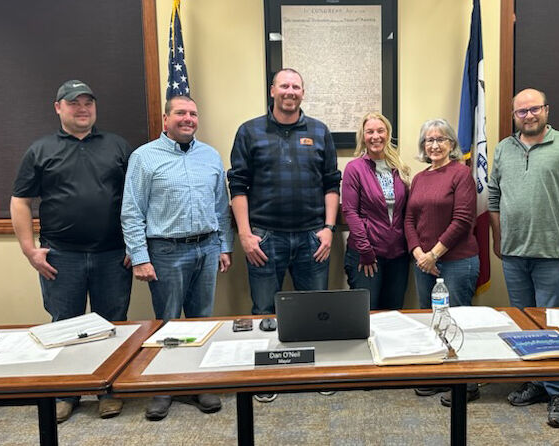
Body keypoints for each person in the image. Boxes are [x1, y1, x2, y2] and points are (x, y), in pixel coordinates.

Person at [10, 80, 133, 422]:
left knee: (113, 325)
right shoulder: (41, 149)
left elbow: (136, 200)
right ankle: (67, 393)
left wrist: (134, 246)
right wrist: (28, 250)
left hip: (113, 254)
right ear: (58, 108)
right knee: (65, 326)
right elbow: (20, 200)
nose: (82, 108)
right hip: (62, 257)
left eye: (88, 102)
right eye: (74, 103)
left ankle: (109, 390)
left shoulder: (118, 146)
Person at [228, 68, 341, 403]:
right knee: (264, 309)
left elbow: (331, 183)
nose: (290, 91)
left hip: (312, 238)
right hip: (265, 237)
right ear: (272, 90)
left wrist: (329, 229)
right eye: (284, 86)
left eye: (296, 86)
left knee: (316, 311)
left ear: (303, 93)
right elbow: (237, 186)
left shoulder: (319, 131)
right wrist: (246, 236)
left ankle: (315, 372)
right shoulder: (249, 131)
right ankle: (266, 377)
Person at [121, 95, 233, 421]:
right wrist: (139, 256)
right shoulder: (144, 157)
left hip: (208, 247)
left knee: (201, 319)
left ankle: (199, 382)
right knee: (167, 320)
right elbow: (132, 211)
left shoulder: (210, 156)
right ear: (166, 119)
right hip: (166, 251)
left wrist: (225, 246)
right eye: (181, 113)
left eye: (193, 113)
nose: (188, 118)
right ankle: (163, 386)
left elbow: (220, 208)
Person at [489, 88, 559, 428]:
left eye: (535, 109)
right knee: (522, 322)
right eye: (522, 111)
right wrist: (498, 238)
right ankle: (536, 380)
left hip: (552, 252)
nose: (529, 115)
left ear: (546, 110)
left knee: (551, 325)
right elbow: (494, 197)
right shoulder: (504, 148)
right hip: (514, 253)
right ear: (514, 115)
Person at [404, 118, 480, 406]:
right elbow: (409, 219)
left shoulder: (461, 174)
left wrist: (433, 254)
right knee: (433, 320)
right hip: (423, 262)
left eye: (441, 139)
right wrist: (418, 254)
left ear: (451, 144)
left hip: (457, 261)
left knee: (458, 320)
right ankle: (440, 376)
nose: (434, 145)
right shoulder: (421, 178)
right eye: (429, 140)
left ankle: (467, 383)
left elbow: (462, 220)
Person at [342, 112, 411, 310]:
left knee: (393, 314)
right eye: (369, 132)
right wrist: (365, 250)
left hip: (397, 255)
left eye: (380, 131)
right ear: (363, 137)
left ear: (388, 134)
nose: (375, 136)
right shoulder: (354, 168)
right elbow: (350, 212)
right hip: (367, 255)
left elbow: (406, 211)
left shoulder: (398, 167)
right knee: (367, 315)